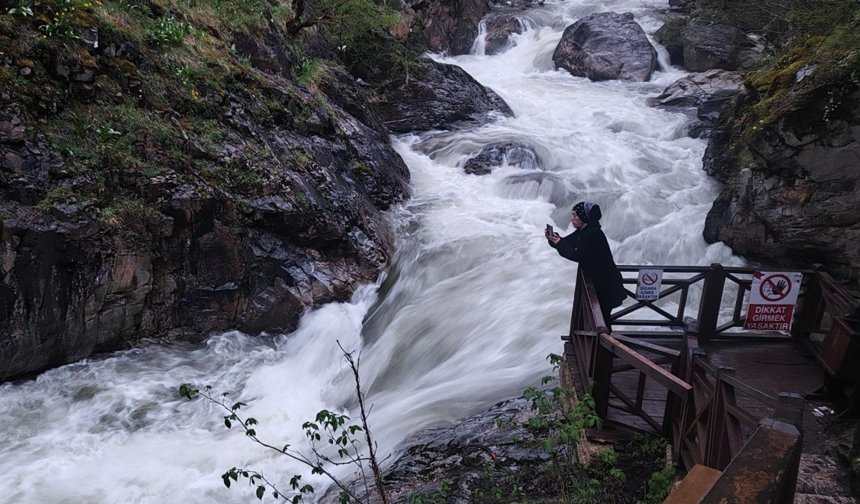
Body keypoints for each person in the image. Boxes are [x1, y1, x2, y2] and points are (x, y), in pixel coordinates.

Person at [545, 202, 626, 330]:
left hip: (606, 286)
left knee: (602, 322)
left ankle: (604, 347)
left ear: (584, 217)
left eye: (575, 216)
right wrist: (554, 240)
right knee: (598, 320)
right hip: (600, 285)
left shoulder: (592, 234)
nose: (571, 218)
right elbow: (567, 243)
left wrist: (559, 243)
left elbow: (577, 255)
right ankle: (599, 344)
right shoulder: (584, 231)